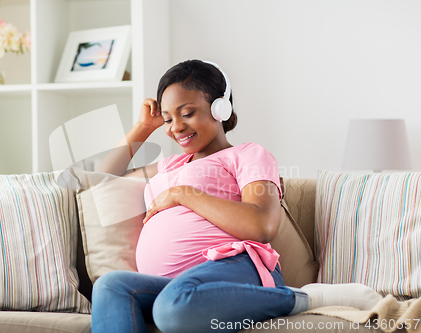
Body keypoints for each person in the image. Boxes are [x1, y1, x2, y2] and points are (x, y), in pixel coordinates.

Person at [91, 59, 383, 333]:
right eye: (168, 119)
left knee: (172, 309)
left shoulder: (247, 155)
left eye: (187, 113)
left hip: (233, 266)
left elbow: (262, 225)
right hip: (172, 285)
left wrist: (183, 194)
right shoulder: (169, 166)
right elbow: (103, 179)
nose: (176, 128)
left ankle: (304, 299)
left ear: (220, 109)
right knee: (110, 286)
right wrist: (143, 127)